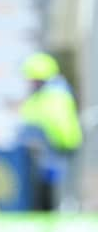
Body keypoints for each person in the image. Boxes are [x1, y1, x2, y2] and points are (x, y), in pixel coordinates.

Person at [20, 52, 83, 210]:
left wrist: (62, 145)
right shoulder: (43, 95)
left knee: (57, 193)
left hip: (56, 152)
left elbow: (62, 126)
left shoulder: (55, 95)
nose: (30, 83)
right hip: (47, 153)